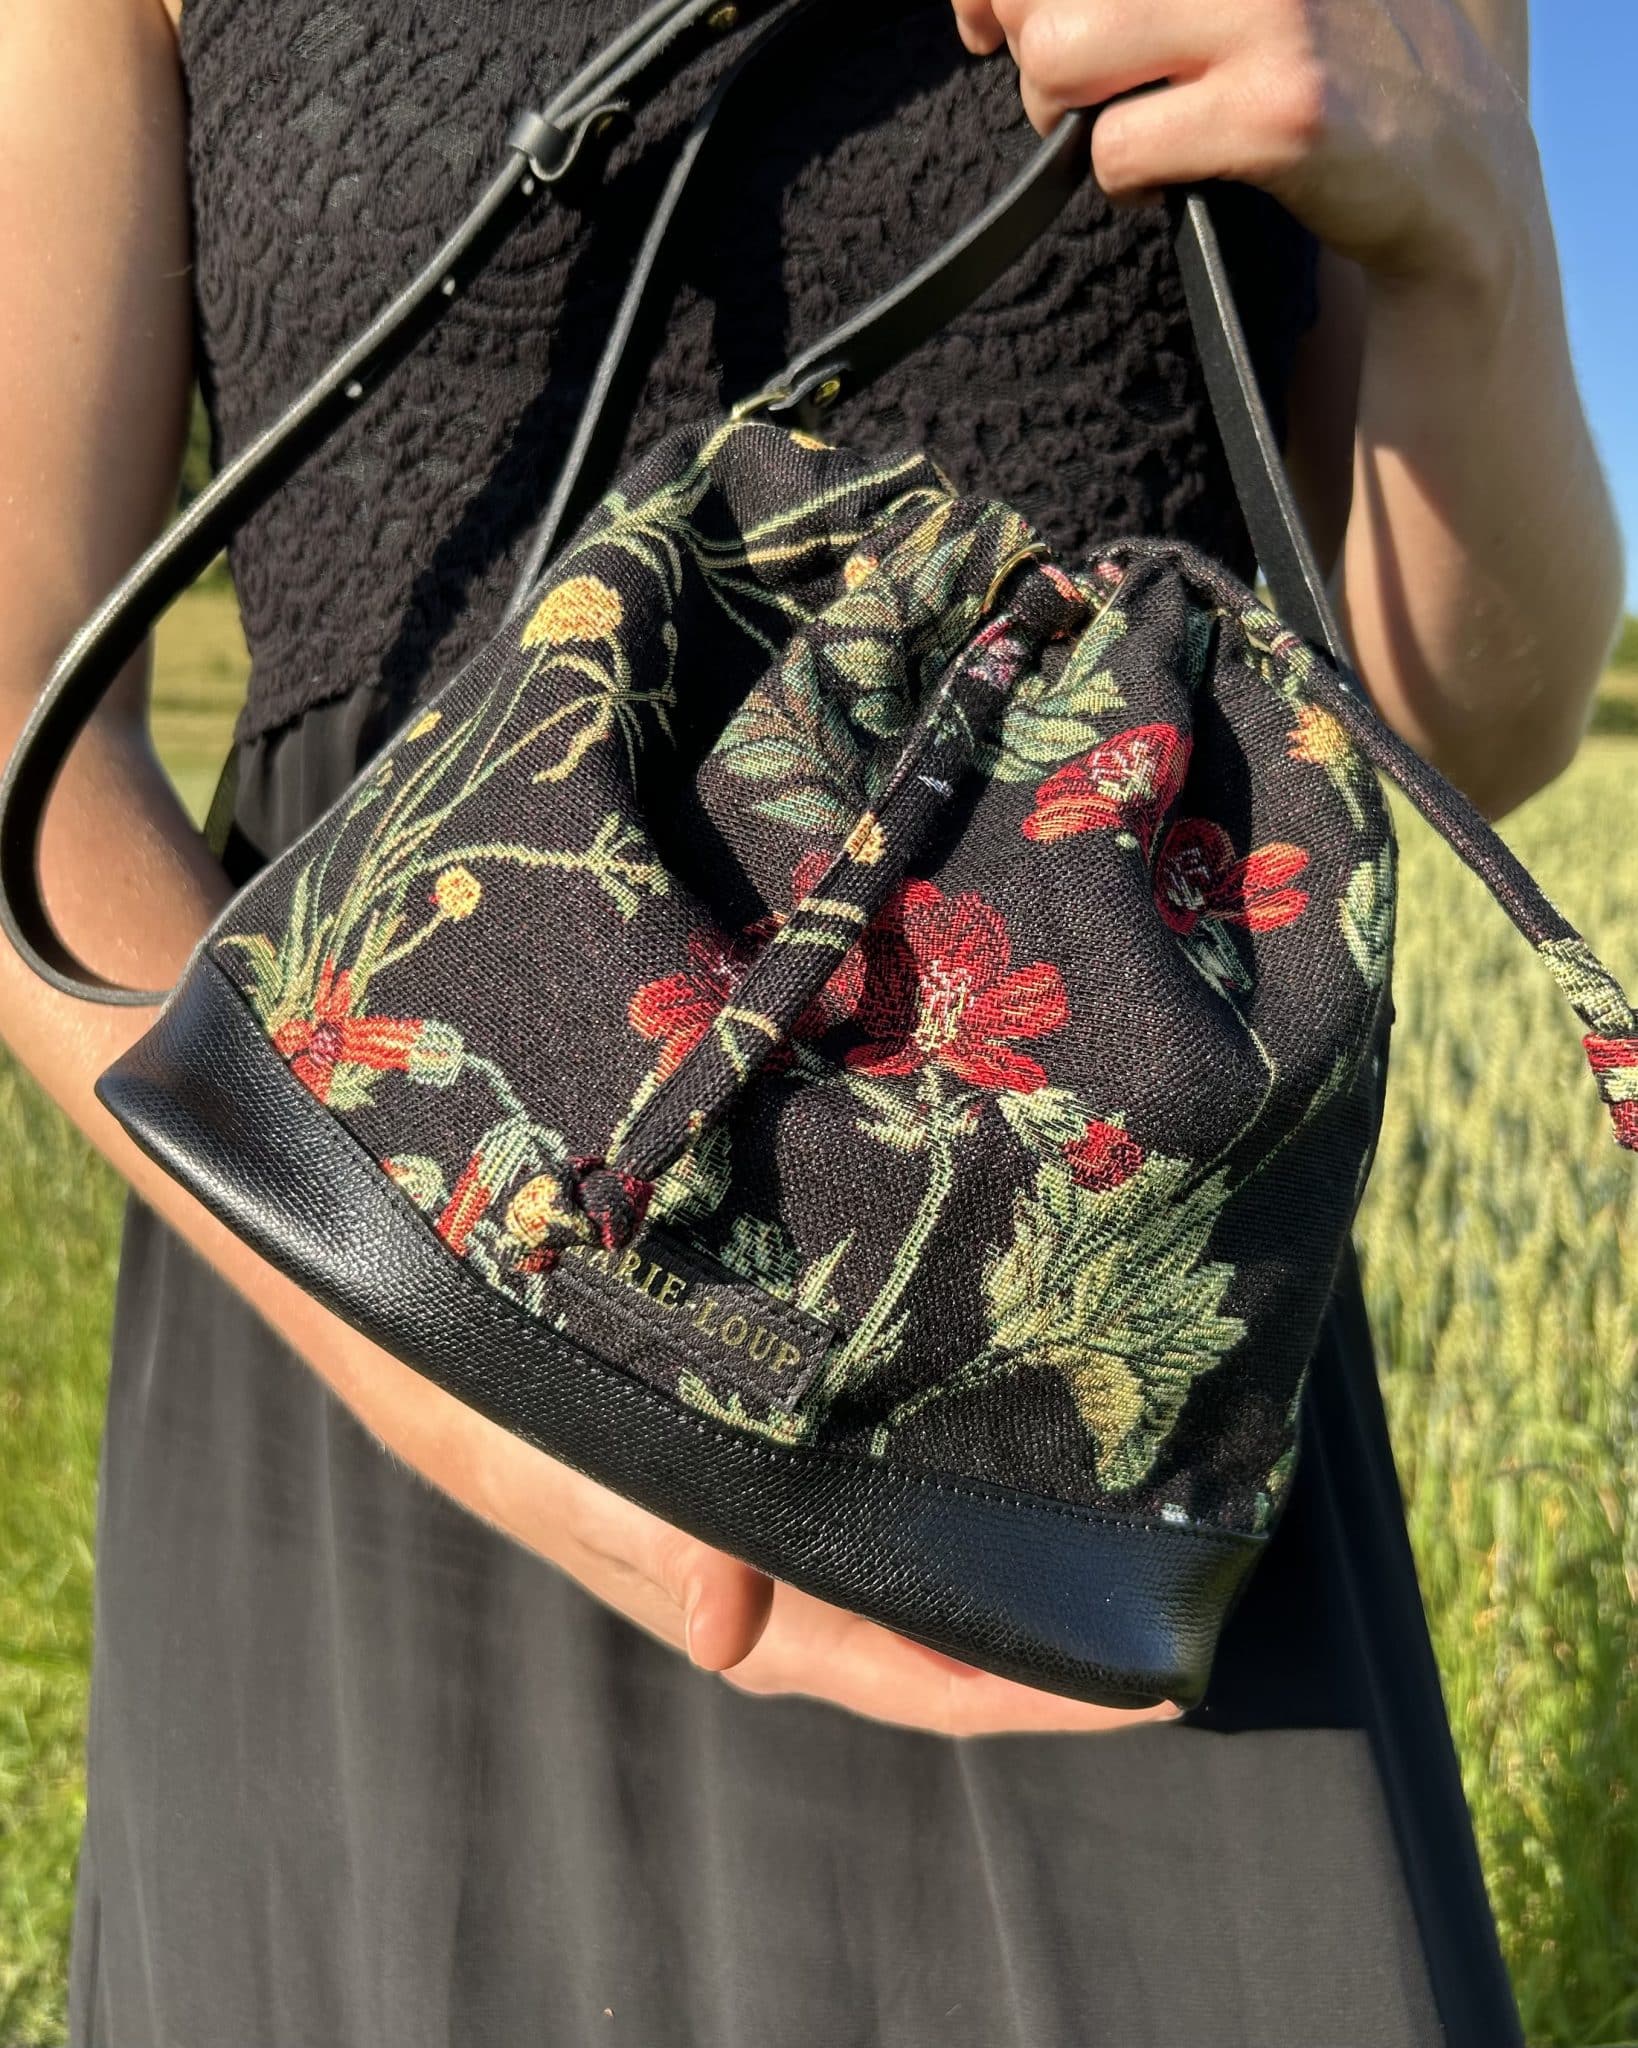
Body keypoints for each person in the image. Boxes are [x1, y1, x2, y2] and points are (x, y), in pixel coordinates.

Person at [0, 0, 1619, 2041]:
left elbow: (1447, 717)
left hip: (1061, 1348)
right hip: (362, 1276)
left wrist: (1466, 221)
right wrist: (440, 1367)